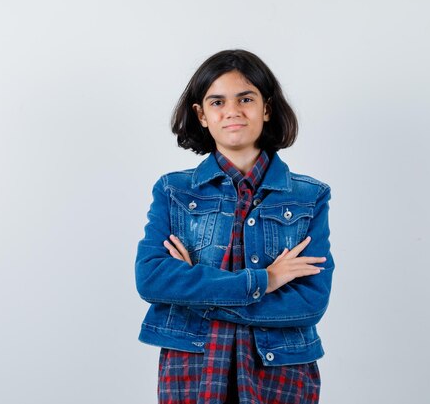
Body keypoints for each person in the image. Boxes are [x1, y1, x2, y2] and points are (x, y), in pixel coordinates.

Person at [135, 49, 334, 404]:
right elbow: (151, 278)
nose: (232, 111)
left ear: (266, 108)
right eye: (217, 101)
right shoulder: (173, 191)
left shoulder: (309, 197)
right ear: (201, 115)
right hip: (194, 369)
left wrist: (195, 293)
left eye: (246, 99)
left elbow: (309, 303)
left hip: (279, 373)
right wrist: (265, 281)